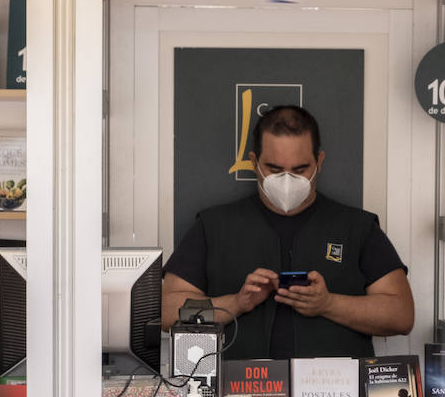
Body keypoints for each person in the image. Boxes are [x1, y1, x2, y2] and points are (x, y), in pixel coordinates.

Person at [161, 105, 414, 360]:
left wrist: (328, 304)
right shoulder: (213, 225)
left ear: (319, 162)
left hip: (335, 394)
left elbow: (401, 315)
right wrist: (235, 304)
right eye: (274, 168)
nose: (287, 179)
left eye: (300, 169)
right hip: (237, 393)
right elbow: (167, 311)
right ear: (253, 162)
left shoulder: (357, 227)